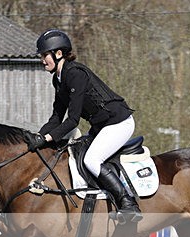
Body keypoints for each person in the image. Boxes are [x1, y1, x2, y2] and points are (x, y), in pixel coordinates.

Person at [27, 29, 142, 223]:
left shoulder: (75, 74)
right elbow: (56, 117)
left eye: (44, 55)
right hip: (102, 126)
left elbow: (73, 120)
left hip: (119, 122)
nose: (42, 60)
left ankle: (128, 204)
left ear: (58, 53)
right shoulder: (59, 79)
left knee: (92, 160)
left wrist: (48, 138)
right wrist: (38, 135)